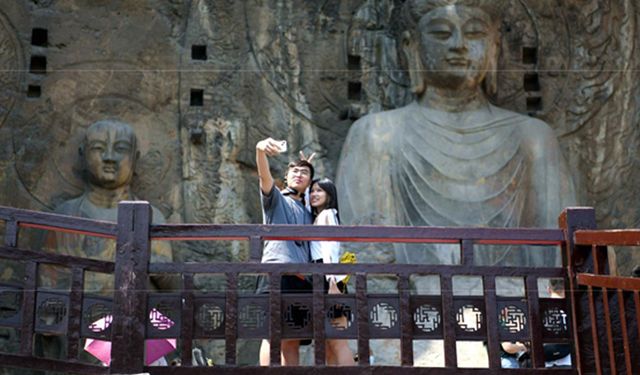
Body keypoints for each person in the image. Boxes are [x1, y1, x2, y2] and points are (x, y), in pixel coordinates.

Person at [336, 0, 576, 268]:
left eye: (474, 33)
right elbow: (368, 251)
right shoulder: (376, 134)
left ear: (494, 46)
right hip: (410, 297)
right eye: (441, 33)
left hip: (519, 298)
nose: (459, 44)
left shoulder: (533, 137)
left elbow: (560, 249)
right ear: (410, 45)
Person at [255, 137, 314, 366]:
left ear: (310, 182)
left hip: (301, 277)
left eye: (305, 173)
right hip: (276, 272)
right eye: (295, 171)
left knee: (294, 339)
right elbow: (264, 177)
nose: (299, 174)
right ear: (286, 177)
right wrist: (260, 151)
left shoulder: (310, 212)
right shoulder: (276, 200)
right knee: (272, 336)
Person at [309, 178, 356, 366]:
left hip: (328, 277)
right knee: (327, 343)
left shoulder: (327, 214)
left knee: (338, 342)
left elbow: (330, 249)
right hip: (324, 276)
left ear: (329, 194)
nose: (314, 194)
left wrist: (332, 282)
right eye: (312, 191)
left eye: (319, 190)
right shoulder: (321, 216)